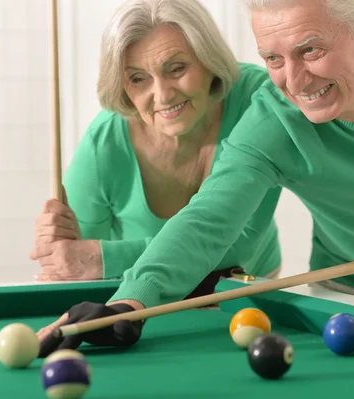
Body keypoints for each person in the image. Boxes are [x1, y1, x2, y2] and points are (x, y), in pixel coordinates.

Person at [37, 0, 354, 355]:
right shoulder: (273, 121)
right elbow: (207, 222)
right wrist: (130, 303)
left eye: (310, 49)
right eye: (273, 59)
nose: (296, 81)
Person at [30, 0, 285, 354]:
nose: (162, 95)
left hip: (246, 291)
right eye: (138, 79)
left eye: (176, 68)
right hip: (142, 305)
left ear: (209, 59)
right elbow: (76, 269)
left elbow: (236, 243)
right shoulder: (104, 146)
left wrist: (104, 257)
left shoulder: (257, 101)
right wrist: (59, 248)